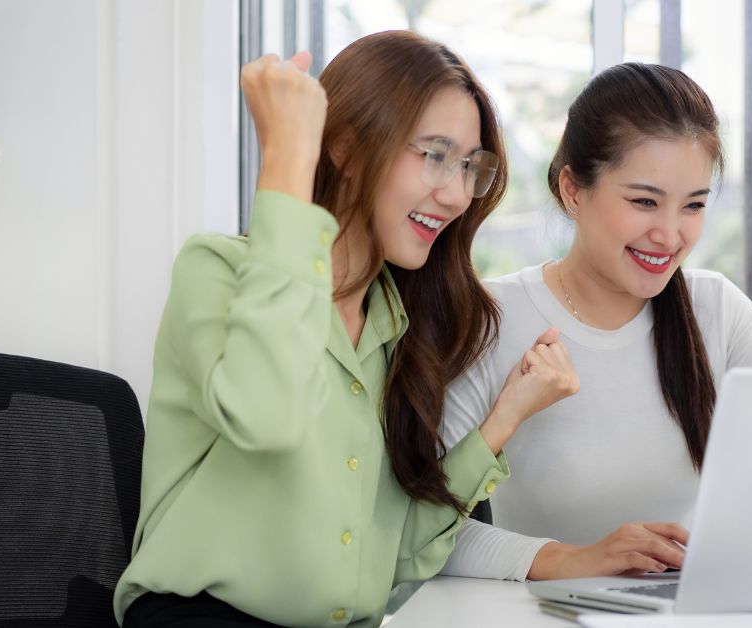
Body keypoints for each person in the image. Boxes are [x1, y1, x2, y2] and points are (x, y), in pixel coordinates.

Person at [113, 31, 577, 627]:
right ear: (348, 150)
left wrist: (505, 417)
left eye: (469, 166)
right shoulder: (219, 270)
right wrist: (287, 157)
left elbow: (396, 557)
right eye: (434, 155)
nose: (458, 193)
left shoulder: (392, 323)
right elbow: (267, 414)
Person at [438, 62, 752, 582]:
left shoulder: (714, 308)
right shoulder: (491, 319)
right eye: (644, 201)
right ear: (573, 189)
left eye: (692, 205)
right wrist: (575, 560)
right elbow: (429, 532)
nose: (669, 236)